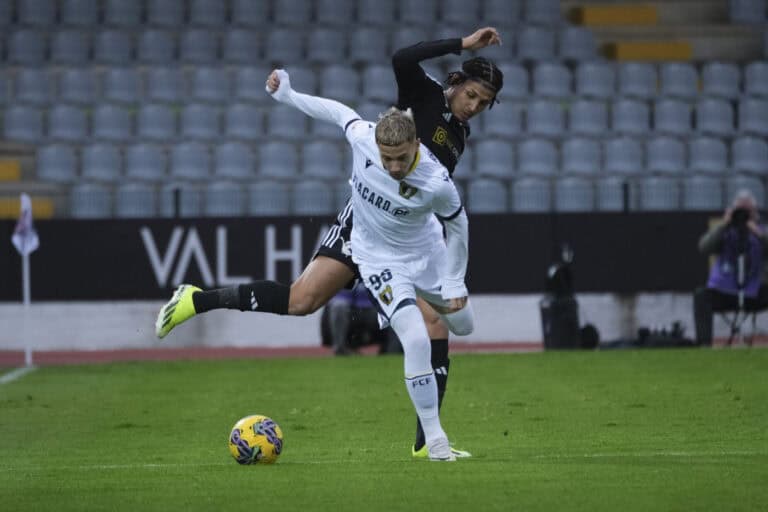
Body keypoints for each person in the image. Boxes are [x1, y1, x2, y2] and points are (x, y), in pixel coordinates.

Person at [155, 27, 504, 458]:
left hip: (408, 238)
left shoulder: (458, 136)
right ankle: (195, 299)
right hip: (363, 226)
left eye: (484, 103)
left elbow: (448, 210)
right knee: (301, 301)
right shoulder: (424, 94)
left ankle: (425, 442)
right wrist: (463, 44)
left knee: (438, 324)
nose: (474, 107)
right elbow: (401, 58)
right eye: (471, 95)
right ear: (456, 82)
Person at [693, 190, 768, 345]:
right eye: (740, 211)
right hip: (725, 290)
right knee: (701, 296)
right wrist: (724, 224)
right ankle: (704, 345)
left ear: (755, 212)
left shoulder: (761, 231)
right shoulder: (725, 233)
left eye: (747, 211)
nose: (743, 215)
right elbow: (704, 247)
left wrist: (756, 231)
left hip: (756, 290)